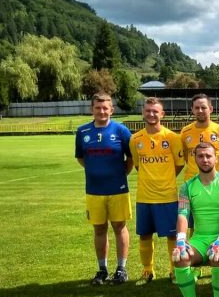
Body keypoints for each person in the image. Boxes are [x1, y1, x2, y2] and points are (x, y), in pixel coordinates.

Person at [172, 142, 219, 297]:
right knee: (180, 257)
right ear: (195, 159)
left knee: (217, 256)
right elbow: (182, 215)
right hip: (199, 239)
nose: (205, 159)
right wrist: (181, 240)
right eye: (200, 156)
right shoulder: (187, 186)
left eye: (209, 156)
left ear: (216, 158)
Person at [75, 92, 133, 285]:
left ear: (111, 110)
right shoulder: (82, 132)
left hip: (118, 189)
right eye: (98, 108)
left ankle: (121, 269)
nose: (101, 111)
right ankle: (102, 270)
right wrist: (96, 171)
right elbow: (81, 158)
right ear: (91, 109)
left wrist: (121, 173)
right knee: (99, 229)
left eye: (105, 108)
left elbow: (131, 157)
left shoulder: (121, 130)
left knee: (119, 227)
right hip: (94, 190)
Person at [129, 97, 185, 284]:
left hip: (167, 195)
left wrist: (164, 177)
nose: (151, 114)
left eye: (155, 111)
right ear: (143, 113)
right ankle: (147, 270)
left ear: (162, 114)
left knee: (172, 235)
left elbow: (179, 164)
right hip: (144, 196)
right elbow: (138, 165)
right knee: (145, 234)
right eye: (148, 111)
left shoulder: (172, 138)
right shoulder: (135, 139)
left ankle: (174, 270)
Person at [180, 93, 219, 182]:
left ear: (210, 109)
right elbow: (186, 157)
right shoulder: (185, 132)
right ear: (192, 110)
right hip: (192, 182)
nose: (200, 110)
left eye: (203, 107)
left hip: (215, 181)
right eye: (197, 108)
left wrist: (218, 172)